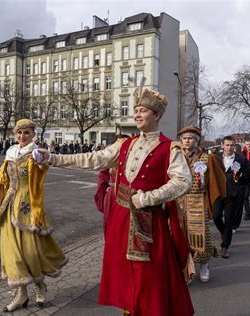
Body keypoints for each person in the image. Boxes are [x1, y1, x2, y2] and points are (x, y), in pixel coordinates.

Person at [38, 85, 195, 315]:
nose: (137, 114)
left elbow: (183, 182)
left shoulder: (169, 148)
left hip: (149, 222)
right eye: (136, 110)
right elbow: (93, 159)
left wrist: (149, 197)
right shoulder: (125, 144)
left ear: (157, 115)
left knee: (149, 278)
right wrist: (52, 157)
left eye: (143, 110)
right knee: (125, 277)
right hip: (120, 221)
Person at [0, 119, 67, 312]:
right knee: (12, 253)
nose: (22, 136)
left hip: (28, 207)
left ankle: (40, 286)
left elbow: (43, 169)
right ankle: (21, 293)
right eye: (19, 133)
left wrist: (42, 159)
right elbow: (0, 176)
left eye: (26, 133)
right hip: (9, 206)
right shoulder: (10, 153)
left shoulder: (36, 153)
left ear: (33, 134)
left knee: (31, 252)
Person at [178, 126, 226, 283]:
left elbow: (215, 183)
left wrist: (210, 204)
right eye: (184, 138)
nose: (187, 141)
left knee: (201, 237)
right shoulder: (175, 157)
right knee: (181, 237)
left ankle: (204, 265)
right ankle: (186, 269)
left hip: (198, 203)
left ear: (196, 140)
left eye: (190, 138)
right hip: (178, 202)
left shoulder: (207, 159)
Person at [213, 136, 250, 258]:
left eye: (232, 145)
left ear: (235, 146)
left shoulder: (241, 159)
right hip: (218, 193)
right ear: (222, 145)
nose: (229, 147)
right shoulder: (215, 157)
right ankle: (223, 233)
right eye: (227, 145)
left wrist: (240, 184)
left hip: (233, 194)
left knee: (229, 220)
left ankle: (225, 246)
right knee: (216, 216)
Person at [93, 134, 130, 235]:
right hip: (112, 197)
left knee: (126, 227)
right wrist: (103, 196)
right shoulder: (110, 160)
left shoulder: (133, 160)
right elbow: (102, 177)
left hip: (128, 196)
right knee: (110, 225)